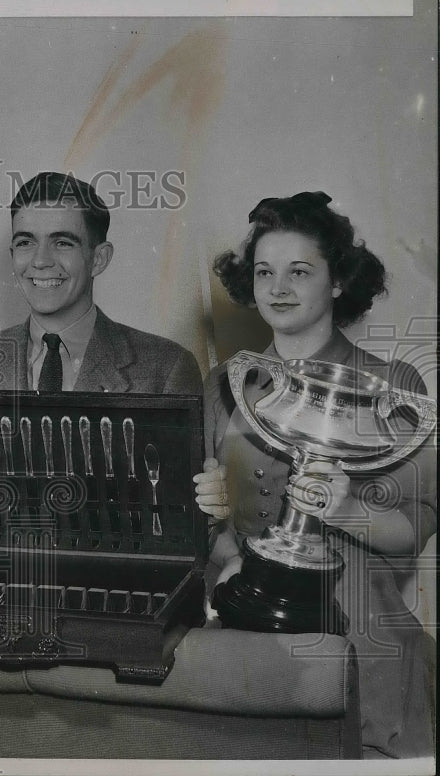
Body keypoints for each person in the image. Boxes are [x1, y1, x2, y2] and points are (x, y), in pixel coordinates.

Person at [193, 191, 436, 758]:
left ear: (337, 281)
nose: (278, 288)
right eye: (264, 272)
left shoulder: (394, 386)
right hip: (240, 608)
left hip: (356, 618)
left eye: (299, 272)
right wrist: (219, 533)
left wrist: (347, 510)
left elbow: (413, 530)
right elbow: (211, 523)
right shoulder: (227, 383)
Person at [0, 171, 203, 395]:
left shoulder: (166, 367)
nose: (41, 261)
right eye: (25, 242)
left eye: (62, 243)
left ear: (99, 259)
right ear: (12, 254)